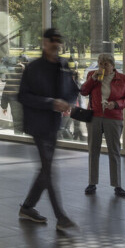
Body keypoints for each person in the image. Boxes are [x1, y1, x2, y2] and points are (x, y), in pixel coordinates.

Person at [17, 27, 84, 231]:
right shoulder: (33, 67)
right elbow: (23, 96)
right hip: (37, 124)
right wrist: (51, 103)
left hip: (53, 124)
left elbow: (73, 90)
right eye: (51, 43)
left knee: (45, 171)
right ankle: (61, 217)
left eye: (57, 43)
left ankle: (28, 207)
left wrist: (68, 102)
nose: (55, 46)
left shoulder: (63, 65)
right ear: (44, 44)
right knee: (49, 170)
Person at [81, 52, 125, 198]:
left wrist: (116, 104)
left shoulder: (124, 80)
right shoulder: (93, 75)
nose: (102, 67)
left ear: (112, 65)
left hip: (114, 118)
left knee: (114, 151)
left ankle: (117, 185)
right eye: (100, 63)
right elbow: (84, 91)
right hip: (94, 117)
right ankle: (92, 182)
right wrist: (93, 79)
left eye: (105, 64)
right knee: (93, 149)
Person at [0, 55, 28, 135]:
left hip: (16, 106)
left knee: (18, 125)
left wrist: (4, 106)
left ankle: (19, 138)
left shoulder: (12, 79)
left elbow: (5, 93)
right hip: (25, 106)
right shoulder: (28, 78)